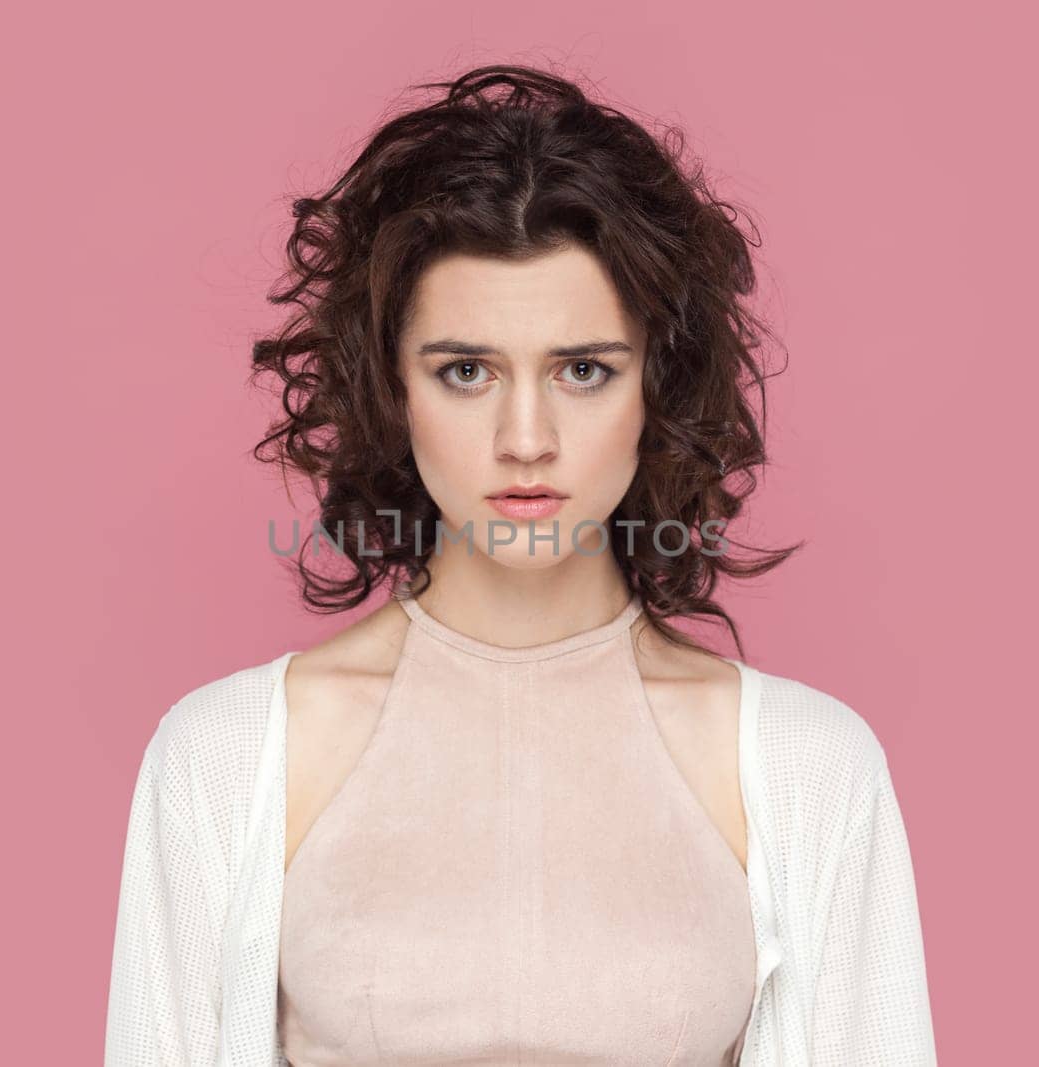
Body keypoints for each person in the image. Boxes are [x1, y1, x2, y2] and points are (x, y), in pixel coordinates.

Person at [105, 64, 936, 1066]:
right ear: (392, 390)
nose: (525, 437)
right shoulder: (224, 757)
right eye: (466, 371)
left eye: (582, 369)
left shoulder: (810, 770)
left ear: (654, 388)